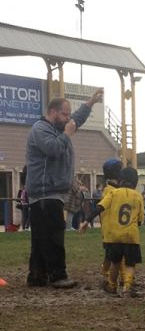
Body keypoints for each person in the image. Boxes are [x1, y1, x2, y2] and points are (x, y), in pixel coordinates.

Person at [25, 89, 104, 288]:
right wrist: (68, 135)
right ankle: (58, 275)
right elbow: (53, 149)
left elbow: (76, 119)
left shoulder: (59, 129)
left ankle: (37, 275)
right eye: (65, 114)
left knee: (41, 237)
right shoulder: (40, 129)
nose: (68, 119)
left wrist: (90, 103)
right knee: (54, 235)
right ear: (53, 112)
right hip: (45, 193)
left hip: (51, 193)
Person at [79, 167, 144, 297]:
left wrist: (87, 220)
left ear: (120, 180)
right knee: (130, 264)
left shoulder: (113, 193)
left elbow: (100, 207)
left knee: (115, 262)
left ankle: (111, 285)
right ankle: (127, 287)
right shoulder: (138, 196)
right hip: (131, 236)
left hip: (114, 236)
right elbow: (140, 220)